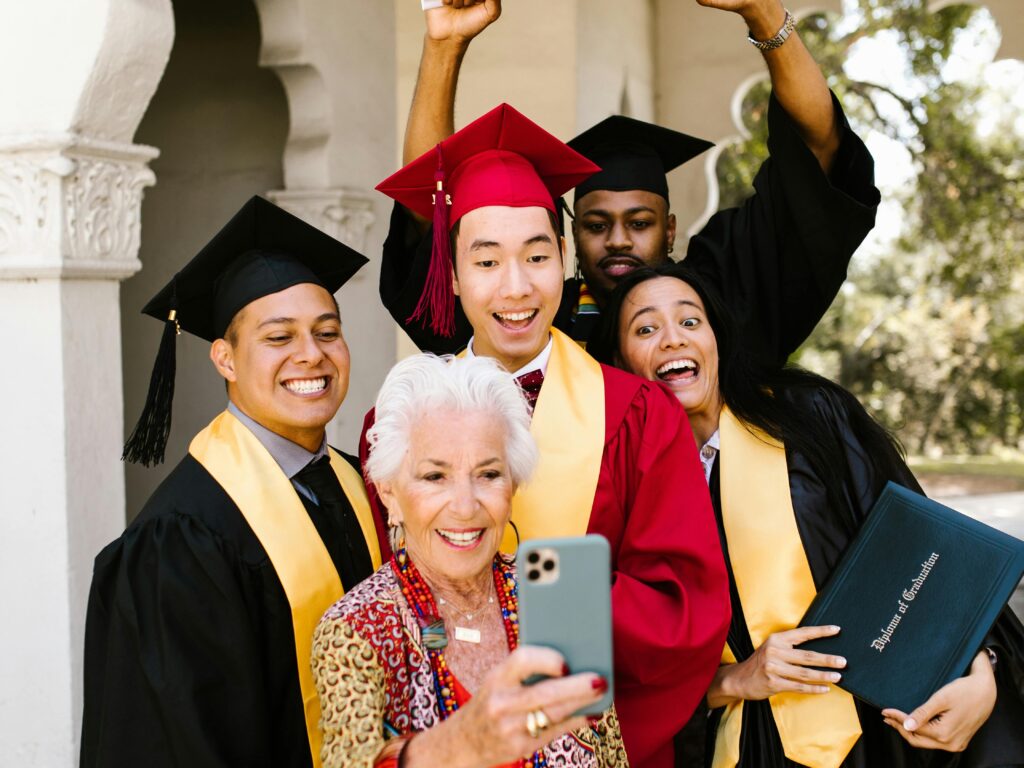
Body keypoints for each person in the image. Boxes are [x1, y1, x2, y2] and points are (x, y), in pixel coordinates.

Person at [371, 102, 731, 768]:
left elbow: (683, 613)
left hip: (599, 744)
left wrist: (532, 592)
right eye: (487, 262)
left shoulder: (640, 414)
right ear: (452, 274)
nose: (516, 288)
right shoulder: (399, 422)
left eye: (537, 256)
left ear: (564, 258)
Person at [588, 262, 1024, 768]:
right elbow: (634, 666)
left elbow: (925, 548)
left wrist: (982, 667)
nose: (673, 339)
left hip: (883, 725)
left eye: (690, 321)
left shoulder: (807, 416)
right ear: (620, 362)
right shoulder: (621, 492)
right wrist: (735, 680)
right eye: (646, 329)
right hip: (754, 746)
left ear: (716, 339)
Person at [380, 0, 880, 366]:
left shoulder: (722, 296)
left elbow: (817, 153)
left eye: (639, 223)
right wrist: (444, 46)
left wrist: (764, 13)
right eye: (597, 225)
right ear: (570, 238)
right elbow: (430, 212)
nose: (618, 239)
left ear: (670, 228)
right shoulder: (527, 317)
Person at [80, 197, 385, 768]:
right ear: (225, 359)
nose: (311, 355)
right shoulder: (183, 538)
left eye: (327, 332)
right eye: (279, 338)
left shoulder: (361, 482)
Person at [313, 354, 628, 767]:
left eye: (488, 474)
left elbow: (611, 757)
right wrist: (459, 745)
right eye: (435, 476)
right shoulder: (357, 630)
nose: (465, 507)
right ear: (389, 493)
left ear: (513, 484)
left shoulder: (557, 602)